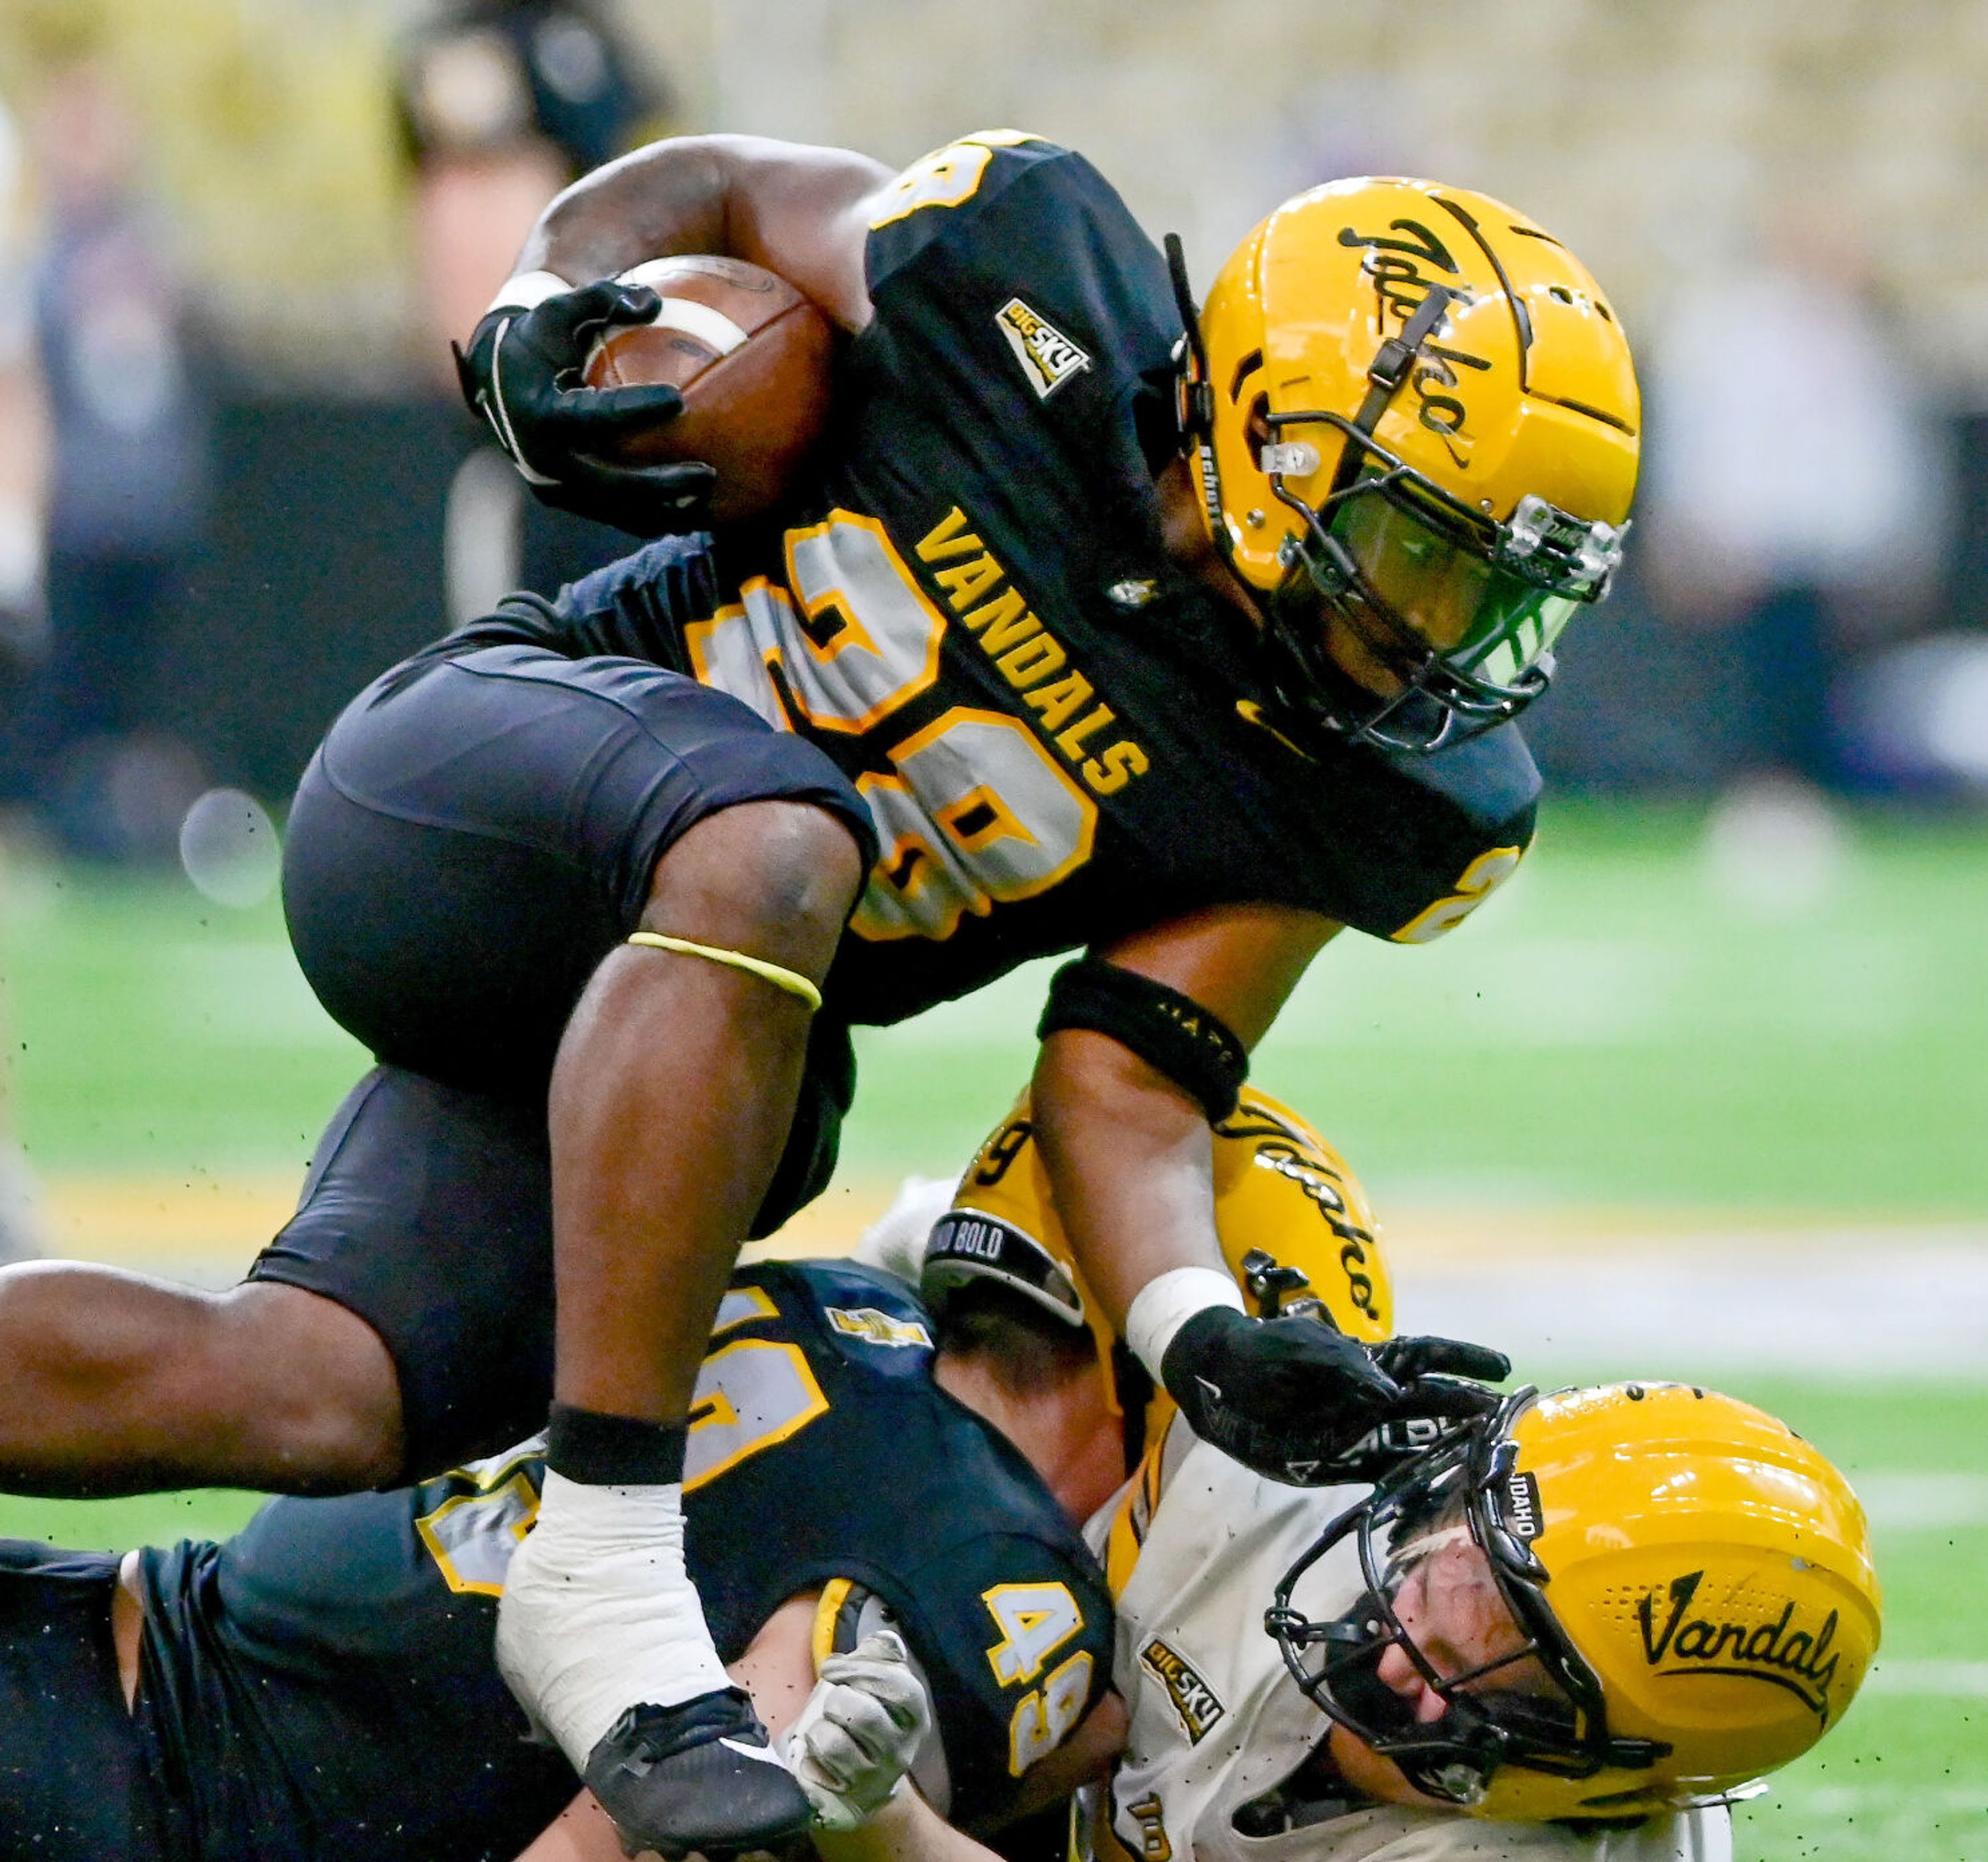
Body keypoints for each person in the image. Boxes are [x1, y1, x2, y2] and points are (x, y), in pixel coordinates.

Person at [0, 130, 1634, 1856]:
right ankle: (608, 1561)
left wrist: (1192, 1327)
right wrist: (548, 293)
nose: (1451, 636)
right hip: (464, 804)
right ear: (1271, 428)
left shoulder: (1364, 788)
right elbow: (712, 186)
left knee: (311, 1392)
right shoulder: (1029, 285)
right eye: (1432, 556)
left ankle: (581, 1542)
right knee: (778, 840)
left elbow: (1133, 1073)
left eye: (1507, 595)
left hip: (669, 1033)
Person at [883, 1105, 1881, 1861]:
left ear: (1613, 1788)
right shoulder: (1270, 1481)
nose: (1395, 1647)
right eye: (1457, 1558)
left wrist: (883, 1827)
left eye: (1502, 1675)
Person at [0, 1249, 1117, 1860]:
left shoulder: (853, 1302)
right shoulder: (1001, 1554)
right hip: (146, 1795)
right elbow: (671, 1828)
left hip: (123, 1627)